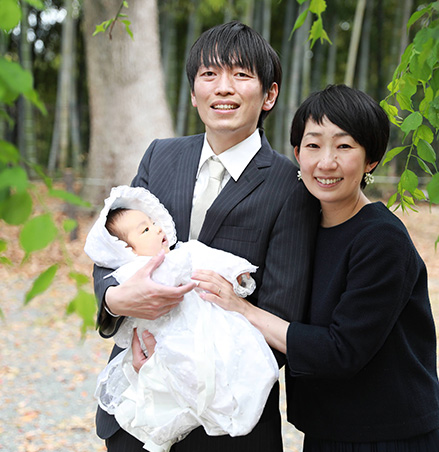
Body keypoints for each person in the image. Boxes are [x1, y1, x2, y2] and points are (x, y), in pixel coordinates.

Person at [92, 21, 320, 452]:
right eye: (209, 74)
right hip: (135, 405)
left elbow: (282, 309)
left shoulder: (291, 186)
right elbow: (113, 247)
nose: (223, 87)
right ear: (194, 92)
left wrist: (180, 371)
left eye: (241, 75)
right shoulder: (160, 156)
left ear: (269, 94)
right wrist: (115, 300)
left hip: (224, 420)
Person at [188, 85, 439, 451]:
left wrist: (243, 310)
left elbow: (341, 351)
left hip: (389, 436)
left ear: (371, 159)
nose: (326, 162)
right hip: (326, 431)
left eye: (344, 146)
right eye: (313, 145)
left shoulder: (382, 240)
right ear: (297, 154)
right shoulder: (300, 227)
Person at [84, 185, 279, 452]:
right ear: (125, 249)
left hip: (203, 326)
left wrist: (237, 275)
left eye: (154, 223)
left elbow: (210, 259)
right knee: (173, 381)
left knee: (224, 364)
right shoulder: (132, 273)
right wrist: (116, 302)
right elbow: (118, 302)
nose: (157, 229)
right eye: (145, 230)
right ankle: (166, 429)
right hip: (164, 342)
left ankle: (223, 405)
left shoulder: (183, 253)